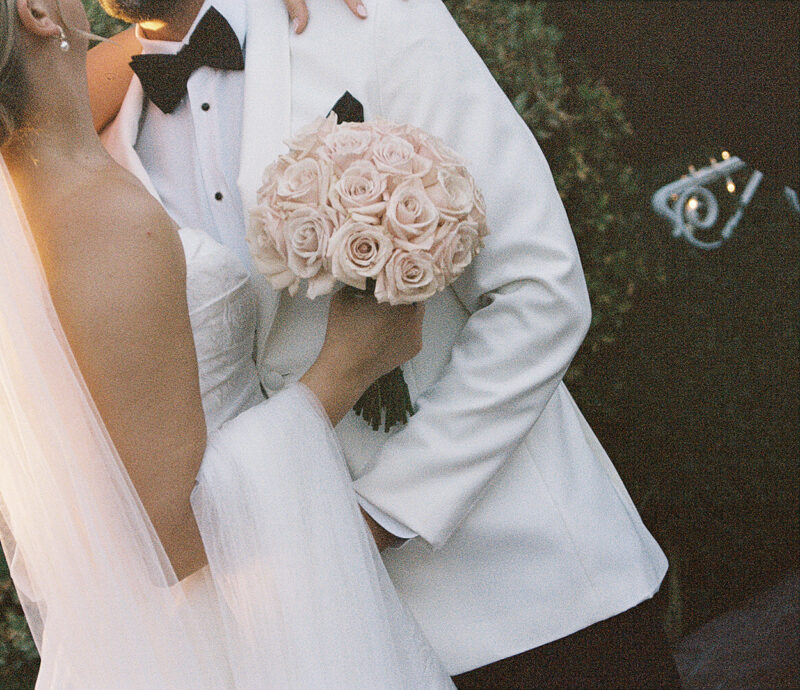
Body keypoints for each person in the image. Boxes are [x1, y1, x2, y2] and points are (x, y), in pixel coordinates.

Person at [0, 0, 456, 686]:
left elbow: (126, 48)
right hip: (227, 641)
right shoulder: (102, 222)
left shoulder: (12, 195)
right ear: (39, 12)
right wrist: (341, 372)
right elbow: (167, 543)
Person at [88, 0, 680, 686]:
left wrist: (378, 519)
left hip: (535, 595)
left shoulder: (377, 18)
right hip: (335, 653)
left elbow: (537, 289)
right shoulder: (100, 147)